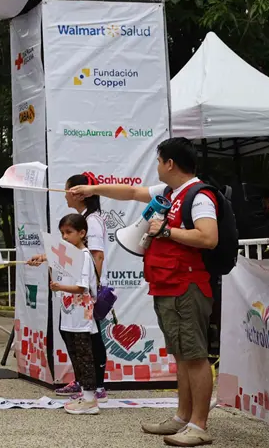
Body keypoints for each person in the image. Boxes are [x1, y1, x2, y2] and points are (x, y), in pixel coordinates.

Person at [69, 137, 218, 447]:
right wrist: (93, 190)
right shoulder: (169, 193)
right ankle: (182, 417)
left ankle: (198, 425)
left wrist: (167, 231)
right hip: (167, 285)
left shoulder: (199, 195)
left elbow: (208, 237)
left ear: (170, 164)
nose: (157, 166)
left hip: (187, 285)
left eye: (159, 161)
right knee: (181, 355)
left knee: (194, 356)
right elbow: (131, 192)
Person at [53, 174, 109, 400]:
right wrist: (45, 257)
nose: (64, 195)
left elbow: (97, 255)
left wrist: (91, 289)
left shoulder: (92, 221)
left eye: (66, 190)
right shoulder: (82, 219)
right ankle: (84, 382)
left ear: (78, 193)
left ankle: (96, 386)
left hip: (84, 294)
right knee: (74, 336)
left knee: (88, 339)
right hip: (75, 292)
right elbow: (69, 253)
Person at [41, 214, 101, 415]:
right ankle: (85, 395)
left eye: (69, 232)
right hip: (70, 314)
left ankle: (90, 399)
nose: (65, 237)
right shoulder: (72, 255)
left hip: (81, 316)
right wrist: (43, 259)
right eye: (62, 233)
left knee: (84, 356)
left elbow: (82, 287)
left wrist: (59, 287)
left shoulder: (84, 256)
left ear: (82, 233)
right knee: (76, 355)